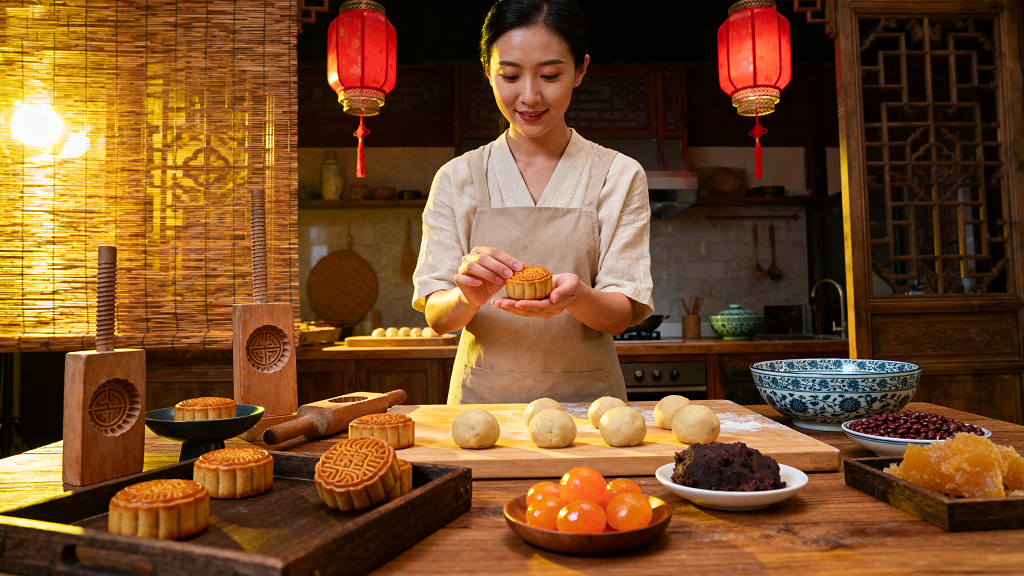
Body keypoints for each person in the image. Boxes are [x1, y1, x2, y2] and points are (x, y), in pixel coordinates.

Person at [412, 0, 653, 404]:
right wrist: (467, 295)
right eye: (509, 75)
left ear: (581, 70)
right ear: (488, 71)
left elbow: (622, 314)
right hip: (484, 405)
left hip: (591, 409)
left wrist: (577, 297)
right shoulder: (457, 178)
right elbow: (438, 318)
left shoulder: (618, 174)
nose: (529, 96)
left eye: (550, 75)